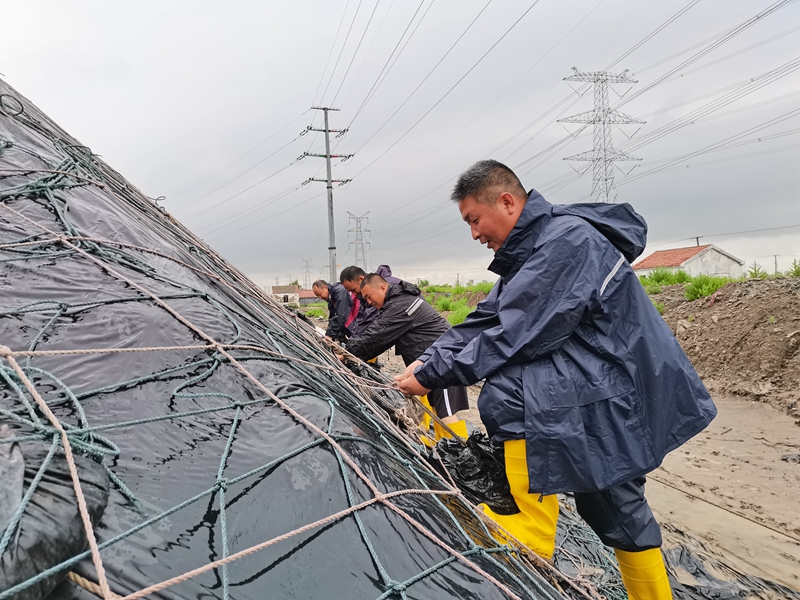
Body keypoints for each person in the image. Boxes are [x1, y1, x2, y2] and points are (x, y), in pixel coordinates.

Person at [395, 160, 716, 600]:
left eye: (474, 219)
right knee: (613, 506)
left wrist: (433, 376)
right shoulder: (534, 249)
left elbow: (517, 332)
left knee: (513, 391)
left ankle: (532, 529)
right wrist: (429, 360)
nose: (474, 234)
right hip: (597, 385)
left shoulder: (567, 241)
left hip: (617, 386)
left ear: (507, 202)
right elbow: (486, 317)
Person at [347, 274, 469, 439]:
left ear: (382, 287)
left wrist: (348, 352)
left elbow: (376, 335)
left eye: (369, 296)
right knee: (436, 404)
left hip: (443, 358)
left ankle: (459, 448)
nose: (368, 301)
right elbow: (378, 336)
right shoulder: (396, 303)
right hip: (431, 360)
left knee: (446, 410)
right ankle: (442, 443)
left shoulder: (401, 305)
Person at [339, 265, 400, 338]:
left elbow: (370, 322)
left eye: (353, 290)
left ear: (361, 279)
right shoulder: (364, 295)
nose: (354, 294)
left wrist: (354, 342)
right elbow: (361, 320)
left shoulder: (376, 288)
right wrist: (354, 339)